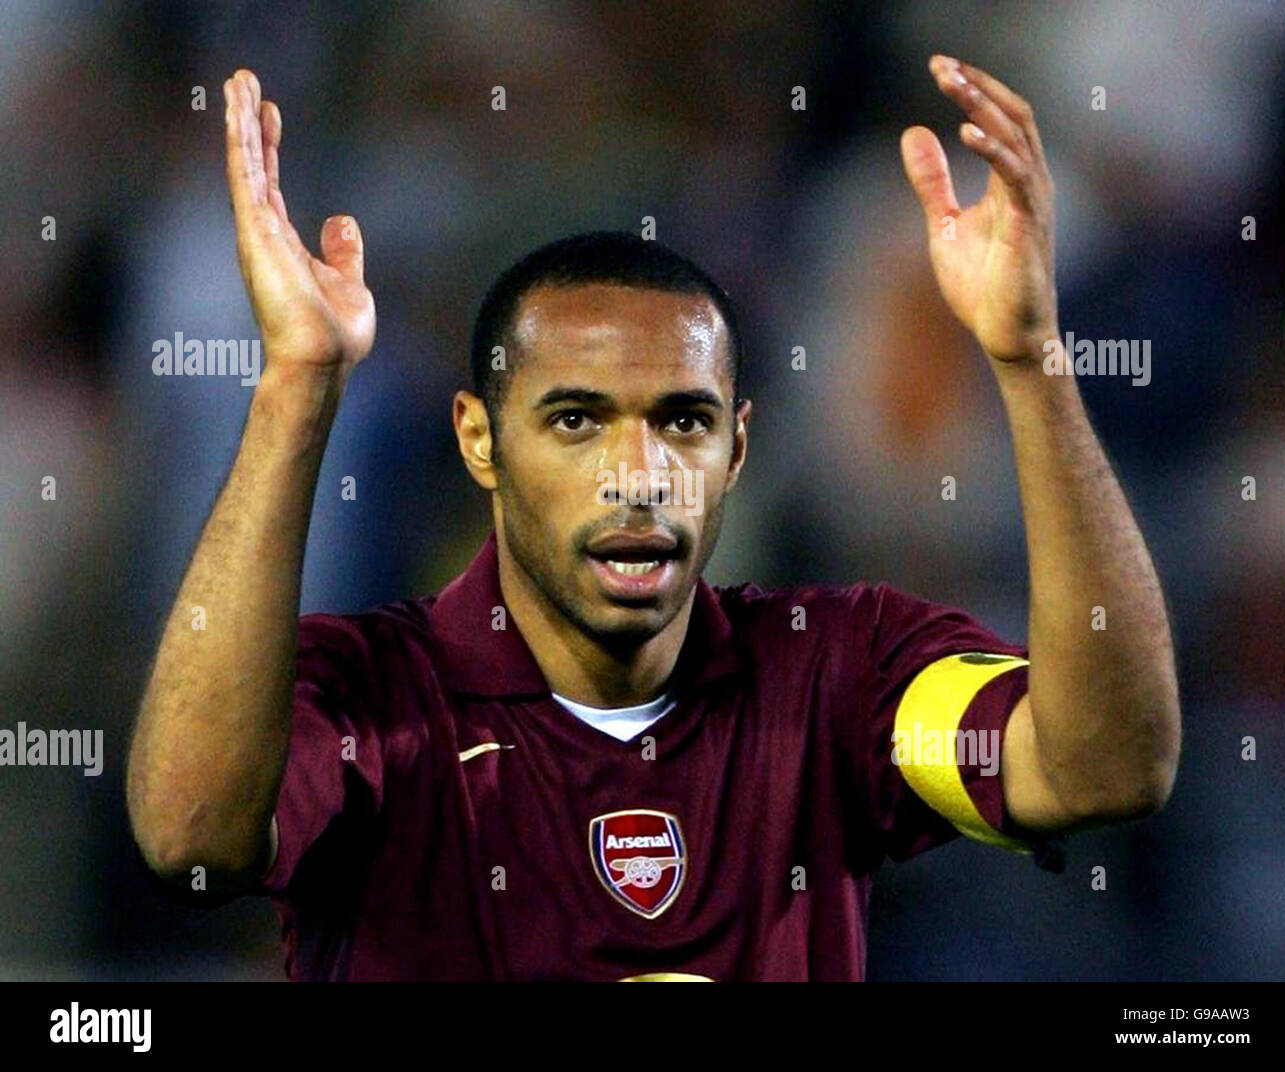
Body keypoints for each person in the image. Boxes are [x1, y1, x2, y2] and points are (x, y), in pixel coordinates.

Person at [126, 56, 1181, 981]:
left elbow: (1103, 770)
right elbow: (191, 837)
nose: (639, 475)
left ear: (737, 449)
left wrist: (1028, 356)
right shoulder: (366, 693)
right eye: (576, 420)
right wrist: (296, 386)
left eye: (682, 420)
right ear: (480, 441)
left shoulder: (843, 672)